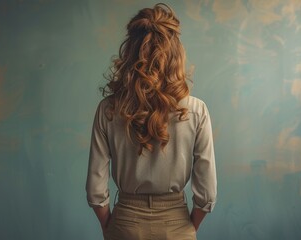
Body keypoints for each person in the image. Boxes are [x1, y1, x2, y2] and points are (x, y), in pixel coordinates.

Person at [86, 3, 217, 240]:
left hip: (125, 223)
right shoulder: (197, 111)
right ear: (176, 52)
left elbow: (96, 190)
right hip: (176, 224)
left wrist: (110, 226)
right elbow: (207, 193)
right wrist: (187, 228)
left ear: (130, 51)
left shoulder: (109, 109)